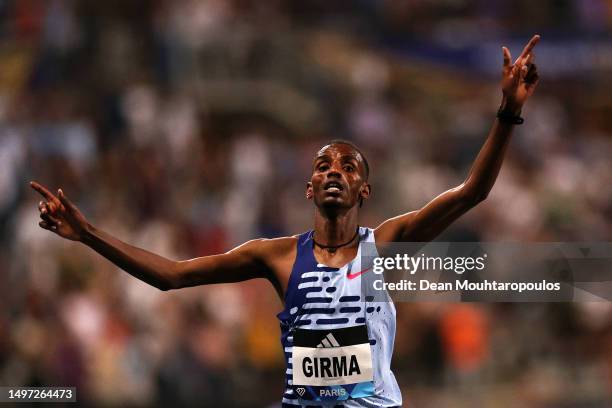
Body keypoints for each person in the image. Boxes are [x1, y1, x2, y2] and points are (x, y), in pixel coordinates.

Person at [31, 35, 541, 407]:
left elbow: (472, 192)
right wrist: (87, 234)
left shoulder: (383, 244)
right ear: (309, 188)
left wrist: (506, 114)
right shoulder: (274, 256)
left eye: (347, 166)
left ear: (364, 190)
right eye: (323, 166)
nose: (334, 172)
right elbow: (171, 276)